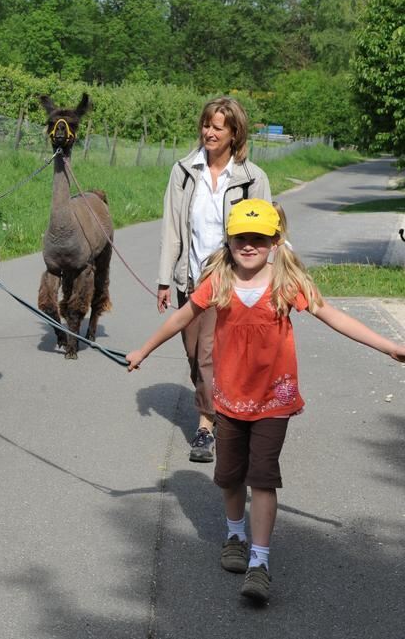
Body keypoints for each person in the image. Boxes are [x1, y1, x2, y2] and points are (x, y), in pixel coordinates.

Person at [127, 199, 405, 603]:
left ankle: (259, 561)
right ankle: (235, 535)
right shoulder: (219, 280)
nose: (250, 244)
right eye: (242, 237)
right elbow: (182, 317)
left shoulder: (287, 282)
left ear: (275, 240)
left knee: (263, 476)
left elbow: (334, 316)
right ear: (230, 239)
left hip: (274, 399)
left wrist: (388, 346)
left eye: (259, 238)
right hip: (229, 400)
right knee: (229, 475)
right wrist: (143, 350)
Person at [156, 96, 272, 464]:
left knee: (208, 353)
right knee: (194, 355)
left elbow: (268, 233)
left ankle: (206, 426)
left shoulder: (252, 178)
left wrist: (270, 283)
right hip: (189, 277)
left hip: (229, 280)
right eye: (205, 125)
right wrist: (164, 278)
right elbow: (172, 228)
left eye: (217, 127)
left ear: (234, 133)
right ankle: (223, 406)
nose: (208, 132)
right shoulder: (184, 171)